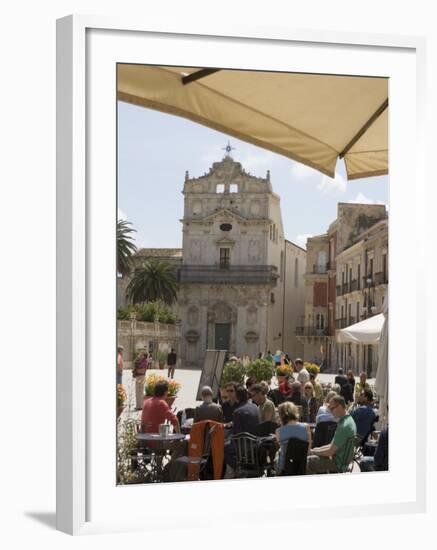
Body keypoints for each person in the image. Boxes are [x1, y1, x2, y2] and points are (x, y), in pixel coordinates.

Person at [307, 395, 357, 474]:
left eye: (332, 408)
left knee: (307, 463)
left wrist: (313, 452)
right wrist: (314, 450)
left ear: (340, 406)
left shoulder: (344, 425)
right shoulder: (347, 420)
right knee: (310, 458)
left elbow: (330, 451)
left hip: (338, 464)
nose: (330, 411)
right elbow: (331, 446)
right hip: (339, 459)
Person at [275, 402, 311, 474]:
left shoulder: (278, 431)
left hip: (284, 467)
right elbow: (308, 450)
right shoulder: (306, 427)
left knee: (277, 454)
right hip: (302, 466)